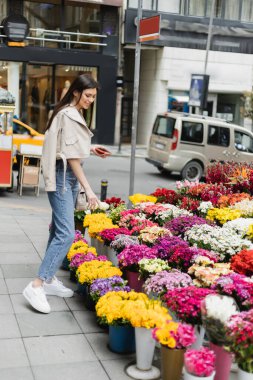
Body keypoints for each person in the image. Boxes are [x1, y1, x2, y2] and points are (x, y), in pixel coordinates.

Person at [23, 74, 111, 314]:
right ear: (76, 92)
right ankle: (37, 284)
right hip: (64, 178)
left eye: (94, 97)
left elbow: (69, 146)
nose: (91, 100)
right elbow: (72, 158)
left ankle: (49, 281)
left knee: (58, 230)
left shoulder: (69, 112)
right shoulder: (70, 114)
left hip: (66, 177)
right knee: (66, 234)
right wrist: (89, 190)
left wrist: (91, 148)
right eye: (88, 95)